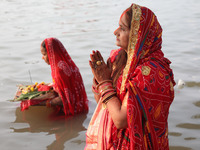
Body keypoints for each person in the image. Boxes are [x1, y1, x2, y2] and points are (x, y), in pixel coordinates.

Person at [85, 3, 175, 150]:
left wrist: (105, 82)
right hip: (113, 141)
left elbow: (121, 120)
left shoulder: (150, 71)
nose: (116, 32)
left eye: (123, 28)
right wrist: (99, 80)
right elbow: (104, 105)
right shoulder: (118, 58)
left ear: (137, 35)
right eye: (118, 26)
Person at [21, 37, 88, 116]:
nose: (42, 58)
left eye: (44, 54)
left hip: (72, 112)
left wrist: (40, 103)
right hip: (81, 105)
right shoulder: (69, 63)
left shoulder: (59, 71)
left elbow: (63, 100)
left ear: (52, 54)